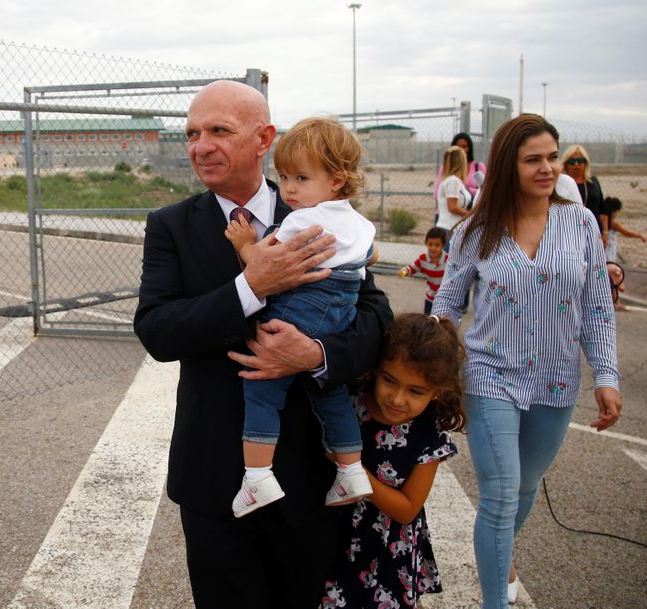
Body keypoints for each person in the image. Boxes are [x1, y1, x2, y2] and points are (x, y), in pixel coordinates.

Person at [133, 80, 393, 609]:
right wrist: (252, 287)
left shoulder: (321, 211)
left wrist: (317, 356)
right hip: (214, 474)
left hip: (308, 473)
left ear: (263, 138)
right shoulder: (171, 226)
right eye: (192, 133)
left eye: (219, 131)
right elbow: (157, 330)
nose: (200, 145)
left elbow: (375, 315)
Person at [432, 114, 622, 609]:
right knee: (499, 494)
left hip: (557, 381)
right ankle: (495, 599)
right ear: (507, 166)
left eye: (551, 157)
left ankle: (501, 552)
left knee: (525, 488)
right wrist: (433, 364)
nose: (546, 168)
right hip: (490, 374)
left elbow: (597, 306)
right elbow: (448, 304)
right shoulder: (477, 228)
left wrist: (606, 375)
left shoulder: (579, 222)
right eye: (532, 159)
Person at [225, 117, 377, 517]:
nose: (289, 188)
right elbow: (369, 258)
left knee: (263, 388)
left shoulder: (301, 220)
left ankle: (257, 477)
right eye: (284, 176)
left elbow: (262, 262)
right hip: (338, 318)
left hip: (300, 310)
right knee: (331, 393)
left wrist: (245, 243)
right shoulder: (360, 223)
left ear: (338, 179)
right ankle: (351, 469)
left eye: (301, 178)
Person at [322, 313, 467, 608]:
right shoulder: (351, 404)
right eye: (389, 380)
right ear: (376, 368)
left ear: (439, 391)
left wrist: (355, 473)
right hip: (332, 535)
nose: (397, 399)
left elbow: (407, 509)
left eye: (416, 391)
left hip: (387, 551)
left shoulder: (429, 436)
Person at [434, 132, 486, 221]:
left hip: (468, 213)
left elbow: (485, 190)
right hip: (448, 217)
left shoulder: (478, 167)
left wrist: (468, 191)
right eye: (458, 147)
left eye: (465, 146)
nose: (461, 150)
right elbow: (437, 192)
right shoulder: (445, 170)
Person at [561, 144, 608, 239]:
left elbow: (602, 209)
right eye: (572, 161)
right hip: (568, 233)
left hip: (593, 231)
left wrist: (605, 232)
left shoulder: (593, 182)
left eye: (580, 161)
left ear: (585, 163)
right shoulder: (560, 184)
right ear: (566, 164)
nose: (576, 164)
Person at [398, 226, 449, 314]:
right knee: (428, 322)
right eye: (430, 244)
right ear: (426, 243)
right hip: (431, 297)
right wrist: (405, 271)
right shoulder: (423, 259)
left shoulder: (448, 260)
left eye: (437, 245)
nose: (433, 248)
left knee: (443, 323)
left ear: (443, 246)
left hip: (445, 299)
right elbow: (412, 268)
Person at [435, 145, 472, 233]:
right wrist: (471, 215)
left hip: (452, 227)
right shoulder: (453, 181)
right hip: (449, 228)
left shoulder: (454, 181)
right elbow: (452, 207)